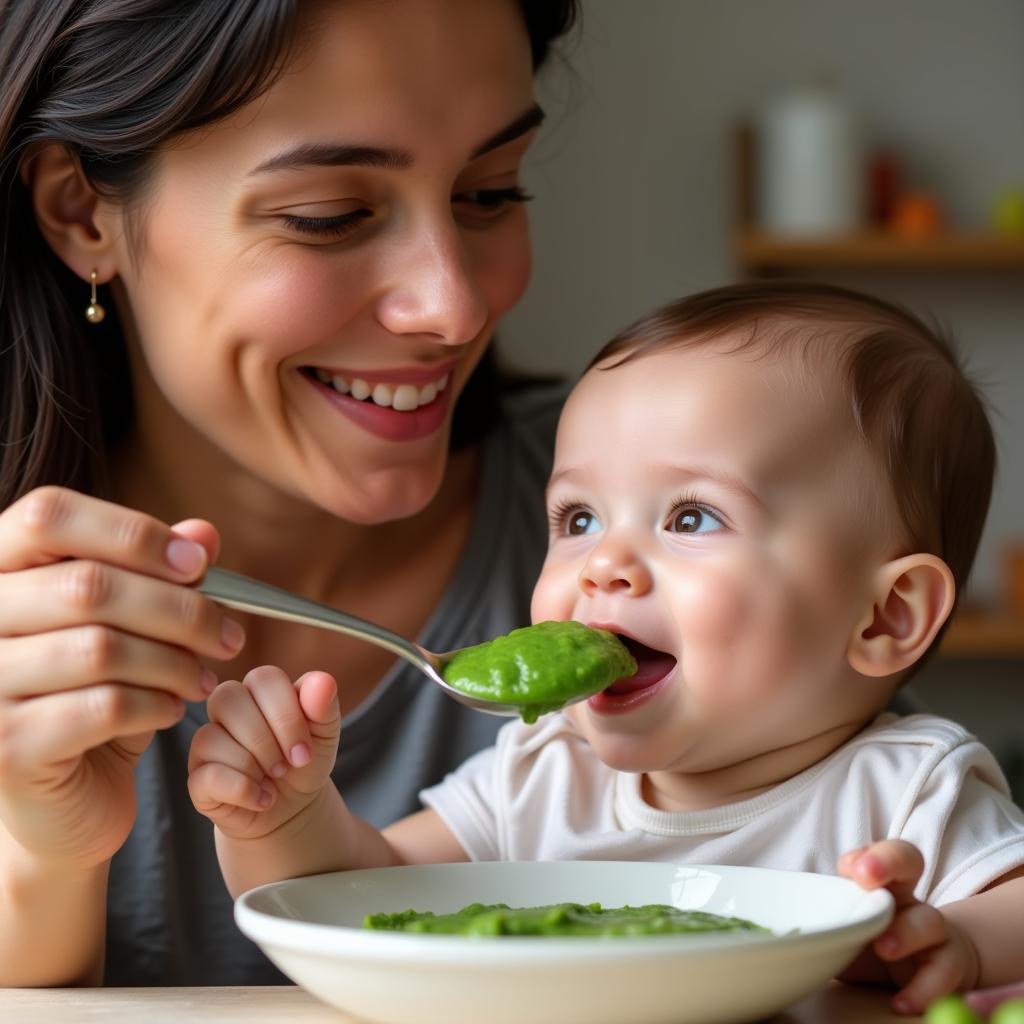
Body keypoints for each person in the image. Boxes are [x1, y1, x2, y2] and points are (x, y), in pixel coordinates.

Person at [189, 282, 1024, 1016]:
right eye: (578, 518)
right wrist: (289, 819)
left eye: (691, 517)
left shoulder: (909, 788)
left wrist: (955, 938)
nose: (605, 566)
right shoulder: (546, 772)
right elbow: (358, 891)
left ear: (885, 618)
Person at [0, 0, 580, 987]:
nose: (453, 304)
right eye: (331, 216)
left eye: (489, 192)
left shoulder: (679, 526)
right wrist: (41, 859)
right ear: (81, 212)